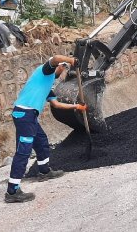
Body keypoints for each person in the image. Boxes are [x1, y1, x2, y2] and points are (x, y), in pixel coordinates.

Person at [5, 55, 87, 203]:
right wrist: (71, 61)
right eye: (63, 69)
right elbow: (55, 58)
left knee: (41, 141)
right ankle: (12, 191)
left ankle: (44, 171)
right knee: (23, 151)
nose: (63, 73)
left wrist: (77, 106)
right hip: (24, 114)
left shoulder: (48, 85)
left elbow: (57, 105)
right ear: (60, 67)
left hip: (29, 116)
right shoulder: (45, 71)